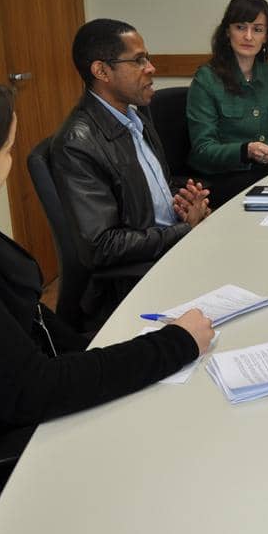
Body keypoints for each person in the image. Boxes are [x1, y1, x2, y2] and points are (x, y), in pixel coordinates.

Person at [0, 69, 216, 534]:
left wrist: (105, 348)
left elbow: (24, 328)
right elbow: (33, 390)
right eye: (8, 149)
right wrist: (175, 344)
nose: (13, 157)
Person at [52, 18, 211, 326]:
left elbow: (150, 189)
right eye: (139, 61)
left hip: (168, 253)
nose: (151, 68)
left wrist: (188, 201)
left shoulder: (135, 118)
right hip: (133, 283)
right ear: (102, 72)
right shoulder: (77, 144)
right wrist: (184, 230)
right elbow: (103, 246)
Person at [186, 0, 268, 207]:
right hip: (223, 179)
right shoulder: (206, 78)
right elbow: (203, 150)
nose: (249, 36)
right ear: (227, 32)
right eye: (241, 27)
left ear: (266, 36)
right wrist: (246, 150)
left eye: (257, 29)